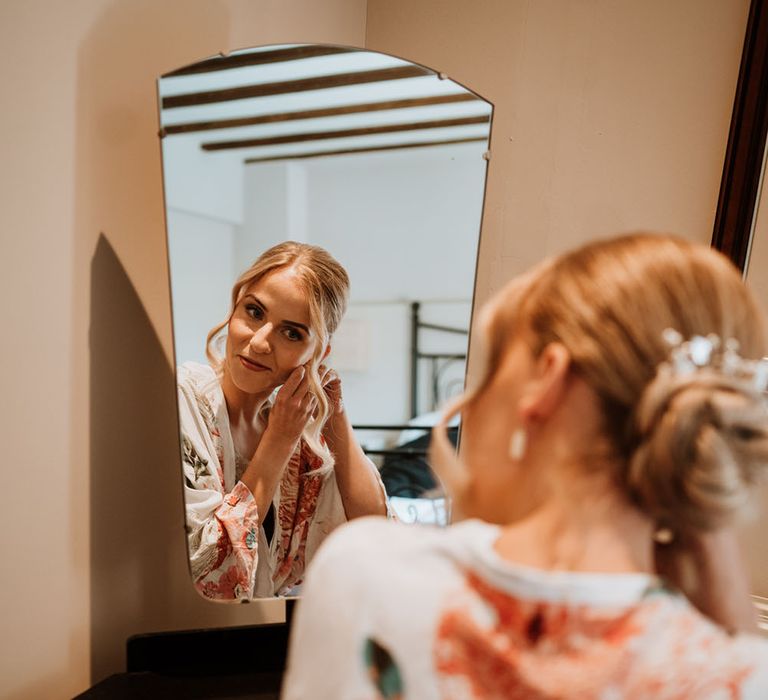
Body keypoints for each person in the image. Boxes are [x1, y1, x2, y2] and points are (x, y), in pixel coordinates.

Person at [283, 233, 768, 698]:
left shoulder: (366, 572)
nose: (474, 400)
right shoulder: (734, 672)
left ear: (548, 378)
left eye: (493, 367)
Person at [178, 241, 388, 600]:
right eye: (254, 312)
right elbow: (206, 566)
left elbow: (377, 535)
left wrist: (333, 413)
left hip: (273, 640)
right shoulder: (184, 399)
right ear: (235, 307)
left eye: (292, 333)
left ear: (318, 353)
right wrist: (278, 441)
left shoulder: (300, 437)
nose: (259, 342)